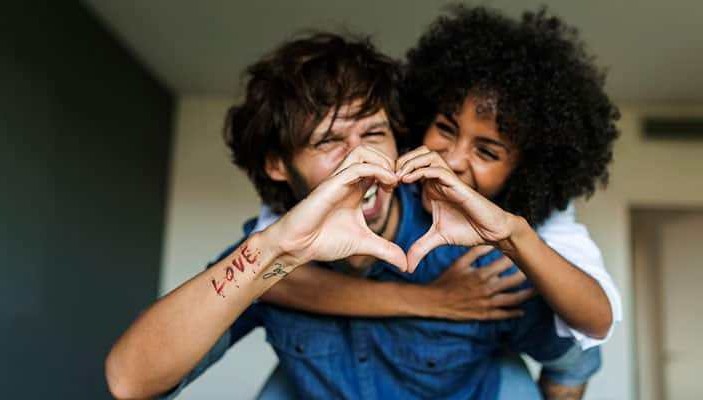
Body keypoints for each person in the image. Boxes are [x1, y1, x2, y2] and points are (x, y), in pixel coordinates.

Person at [105, 15, 618, 399]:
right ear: (279, 165)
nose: (361, 159)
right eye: (329, 142)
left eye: (374, 133)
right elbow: (130, 381)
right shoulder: (262, 259)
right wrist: (270, 255)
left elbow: (576, 355)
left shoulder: (479, 261)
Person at [251, 5, 622, 399]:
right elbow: (263, 273)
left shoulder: (527, 235)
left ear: (527, 174)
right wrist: (431, 300)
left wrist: (513, 234)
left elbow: (593, 327)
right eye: (445, 129)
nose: (452, 159)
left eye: (487, 152)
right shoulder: (380, 160)